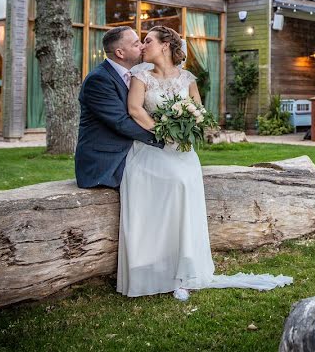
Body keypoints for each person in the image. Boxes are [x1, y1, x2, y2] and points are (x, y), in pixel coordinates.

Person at [117, 26, 292, 299]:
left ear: (165, 46)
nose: (142, 46)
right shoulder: (141, 76)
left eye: (148, 41)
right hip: (150, 148)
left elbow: (198, 112)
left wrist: (186, 128)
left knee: (184, 184)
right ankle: (150, 268)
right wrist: (163, 133)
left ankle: (184, 272)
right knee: (170, 183)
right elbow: (134, 109)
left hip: (182, 151)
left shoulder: (187, 78)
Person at [75, 27, 163, 189]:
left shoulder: (137, 76)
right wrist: (162, 138)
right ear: (120, 53)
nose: (142, 47)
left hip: (132, 151)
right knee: (162, 180)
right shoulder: (99, 80)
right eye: (136, 44)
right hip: (107, 162)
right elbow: (121, 122)